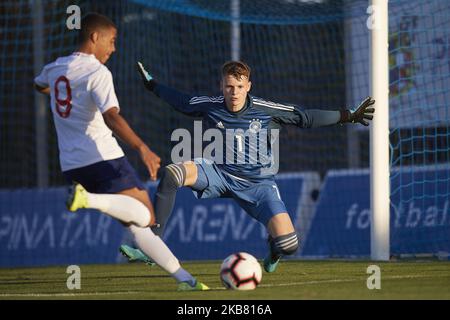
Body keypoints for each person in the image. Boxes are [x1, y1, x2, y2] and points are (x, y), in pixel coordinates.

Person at [120, 60, 375, 273]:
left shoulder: (265, 109)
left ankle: (273, 251)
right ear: (221, 86)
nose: (234, 92)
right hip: (219, 173)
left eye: (239, 86)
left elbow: (306, 118)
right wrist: (153, 85)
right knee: (172, 173)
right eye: (229, 86)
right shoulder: (211, 104)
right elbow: (181, 101)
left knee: (289, 245)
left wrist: (348, 115)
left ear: (248, 86)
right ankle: (153, 246)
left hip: (259, 185)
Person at [33, 12, 208, 291]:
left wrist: (67, 96)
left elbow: (39, 84)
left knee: (136, 226)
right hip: (103, 157)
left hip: (72, 164)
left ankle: (185, 280)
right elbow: (111, 117)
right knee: (146, 217)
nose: (113, 49)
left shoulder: (56, 68)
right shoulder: (97, 72)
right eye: (111, 41)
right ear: (94, 38)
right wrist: (143, 148)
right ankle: (87, 199)